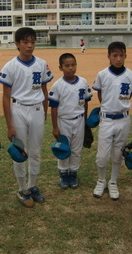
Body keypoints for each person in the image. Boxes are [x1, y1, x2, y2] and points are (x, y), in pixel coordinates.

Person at [0, 27, 54, 207]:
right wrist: (9, 124)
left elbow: (45, 89)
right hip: (19, 110)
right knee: (20, 152)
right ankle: (22, 189)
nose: (30, 46)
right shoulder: (10, 66)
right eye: (25, 42)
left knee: (35, 152)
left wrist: (44, 111)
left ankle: (32, 185)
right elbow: (6, 97)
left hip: (37, 109)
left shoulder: (42, 64)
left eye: (32, 42)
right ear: (17, 44)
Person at [92, 41, 132, 200]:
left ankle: (113, 182)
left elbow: (129, 96)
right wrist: (108, 107)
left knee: (118, 154)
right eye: (115, 55)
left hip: (123, 119)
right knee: (102, 156)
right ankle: (101, 180)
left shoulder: (131, 75)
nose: (118, 58)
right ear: (109, 57)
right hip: (106, 119)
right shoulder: (102, 74)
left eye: (121, 55)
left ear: (125, 55)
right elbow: (101, 95)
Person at [48, 53, 92, 189]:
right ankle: (63, 172)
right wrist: (55, 127)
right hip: (64, 121)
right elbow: (54, 108)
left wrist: (85, 122)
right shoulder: (57, 85)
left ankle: (73, 172)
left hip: (79, 120)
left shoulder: (83, 82)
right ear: (60, 67)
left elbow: (85, 102)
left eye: (73, 65)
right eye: (67, 66)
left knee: (76, 149)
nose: (71, 68)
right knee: (64, 148)